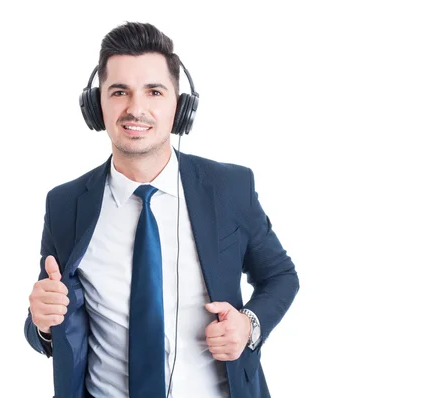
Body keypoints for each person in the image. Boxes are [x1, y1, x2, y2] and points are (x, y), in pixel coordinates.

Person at [24, 21, 299, 398]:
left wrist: (248, 325)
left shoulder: (229, 188)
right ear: (96, 105)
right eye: (119, 92)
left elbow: (280, 276)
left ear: (180, 105)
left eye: (154, 91)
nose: (136, 109)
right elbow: (48, 321)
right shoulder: (65, 203)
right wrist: (41, 322)